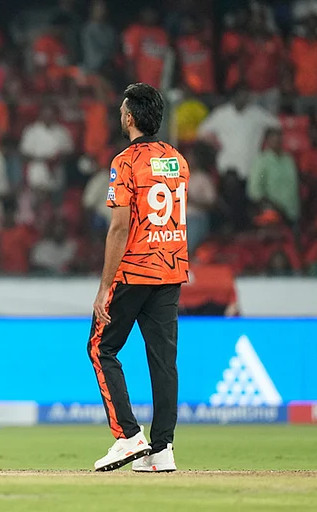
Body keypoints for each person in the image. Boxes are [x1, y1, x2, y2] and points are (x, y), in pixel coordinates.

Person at [89, 83, 189, 473]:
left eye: (121, 110)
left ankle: (128, 437)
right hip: (171, 269)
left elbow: (119, 227)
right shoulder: (178, 160)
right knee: (164, 361)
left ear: (130, 117)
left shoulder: (125, 161)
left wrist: (104, 285)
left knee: (101, 347)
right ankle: (162, 449)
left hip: (134, 270)